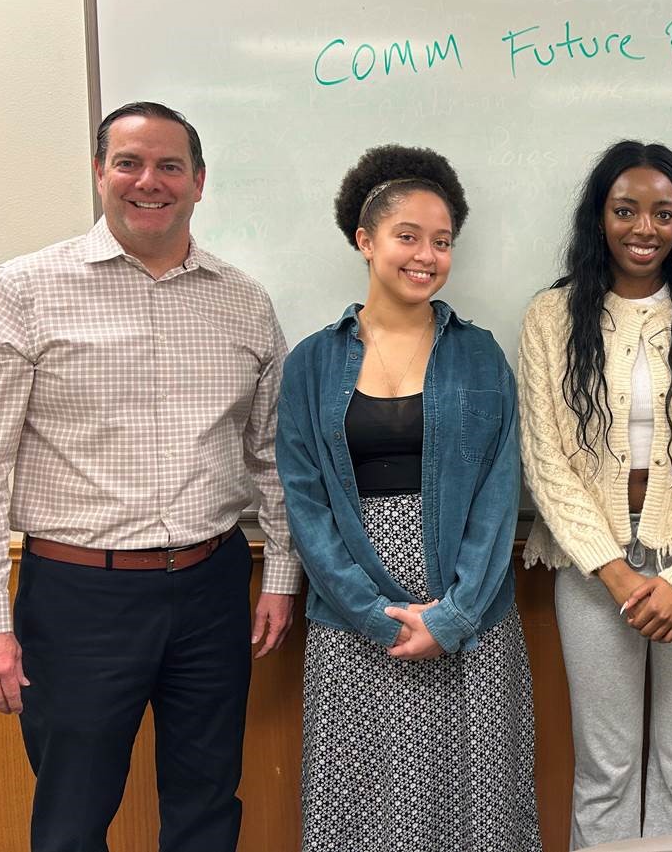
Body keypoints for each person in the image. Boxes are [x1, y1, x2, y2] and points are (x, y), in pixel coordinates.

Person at [0, 102, 299, 852]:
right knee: (73, 817)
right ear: (100, 172)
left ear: (199, 182)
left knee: (207, 804)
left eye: (171, 165)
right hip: (79, 598)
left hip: (212, 585)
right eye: (130, 162)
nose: (150, 181)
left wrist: (281, 574)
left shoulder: (244, 300)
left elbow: (273, 451)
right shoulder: (26, 289)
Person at [276, 145, 540, 852]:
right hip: (352, 619)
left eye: (443, 241)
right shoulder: (311, 361)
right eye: (408, 236)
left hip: (471, 617)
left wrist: (453, 614)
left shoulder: (480, 354)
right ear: (365, 241)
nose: (427, 255)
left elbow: (497, 490)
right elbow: (304, 499)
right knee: (360, 812)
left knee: (478, 813)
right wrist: (373, 614)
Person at [519, 140, 672, 847]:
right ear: (598, 218)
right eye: (624, 210)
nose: (643, 227)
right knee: (605, 765)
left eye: (662, 212)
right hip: (594, 570)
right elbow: (545, 459)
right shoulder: (551, 316)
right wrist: (616, 571)